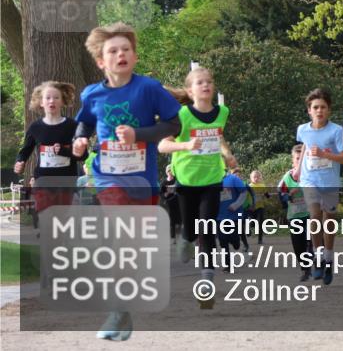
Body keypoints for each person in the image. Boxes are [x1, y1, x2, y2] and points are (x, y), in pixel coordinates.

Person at [71, 22, 182, 341]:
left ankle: (123, 310)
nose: (120, 54)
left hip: (142, 178)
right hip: (108, 175)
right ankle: (117, 309)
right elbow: (84, 123)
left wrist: (139, 134)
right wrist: (80, 141)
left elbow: (174, 124)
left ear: (134, 56)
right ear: (100, 61)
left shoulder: (149, 89)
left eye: (126, 49)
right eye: (113, 50)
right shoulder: (92, 94)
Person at [158, 66, 237, 309]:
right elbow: (162, 145)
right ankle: (185, 238)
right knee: (192, 231)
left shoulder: (222, 112)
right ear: (190, 91)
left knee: (207, 229)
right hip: (187, 180)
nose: (205, 85)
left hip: (212, 179)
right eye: (199, 82)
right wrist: (186, 146)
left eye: (209, 81)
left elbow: (218, 137)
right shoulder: (181, 115)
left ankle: (206, 284)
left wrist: (227, 154)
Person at [296, 88, 343, 285]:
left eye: (323, 107)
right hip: (309, 179)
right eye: (315, 107)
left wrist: (324, 155)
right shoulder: (303, 129)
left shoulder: (336, 131)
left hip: (329, 182)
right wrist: (298, 169)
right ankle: (318, 258)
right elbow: (304, 146)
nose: (319, 111)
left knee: (329, 221)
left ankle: (328, 258)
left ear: (329, 110)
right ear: (309, 110)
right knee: (314, 215)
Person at [14, 81, 81, 214]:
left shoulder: (72, 126)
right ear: (41, 102)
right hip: (43, 181)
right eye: (48, 98)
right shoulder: (35, 127)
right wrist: (19, 162)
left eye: (56, 97)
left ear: (62, 101)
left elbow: (83, 155)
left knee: (61, 219)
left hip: (66, 182)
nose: (52, 101)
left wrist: (64, 151)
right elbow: (25, 151)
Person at [278, 144, 313, 281]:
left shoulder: (311, 175)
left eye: (303, 158)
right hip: (294, 217)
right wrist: (289, 196)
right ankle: (305, 269)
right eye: (298, 158)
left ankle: (311, 266)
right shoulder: (287, 177)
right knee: (298, 246)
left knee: (310, 242)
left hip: (310, 216)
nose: (300, 161)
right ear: (293, 160)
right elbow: (280, 193)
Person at [217, 166, 248, 273]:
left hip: (234, 215)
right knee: (222, 240)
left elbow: (244, 192)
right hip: (219, 216)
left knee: (234, 240)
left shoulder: (233, 179)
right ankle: (228, 265)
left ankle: (237, 242)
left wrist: (236, 204)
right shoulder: (210, 181)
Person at [159, 165, 181, 243]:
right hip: (169, 204)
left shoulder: (177, 180)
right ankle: (173, 238)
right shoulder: (164, 182)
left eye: (171, 171)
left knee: (179, 220)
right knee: (172, 221)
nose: (170, 172)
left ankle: (178, 233)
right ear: (166, 172)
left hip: (178, 203)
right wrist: (165, 195)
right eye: (168, 171)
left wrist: (177, 191)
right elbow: (161, 193)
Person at [247, 170, 267, 247]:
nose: (256, 178)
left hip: (260, 206)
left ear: (260, 178)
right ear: (251, 178)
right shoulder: (249, 186)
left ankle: (260, 239)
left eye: (258, 177)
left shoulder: (262, 185)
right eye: (254, 177)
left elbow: (265, 193)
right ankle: (248, 230)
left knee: (260, 222)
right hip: (251, 208)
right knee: (252, 222)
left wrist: (267, 195)